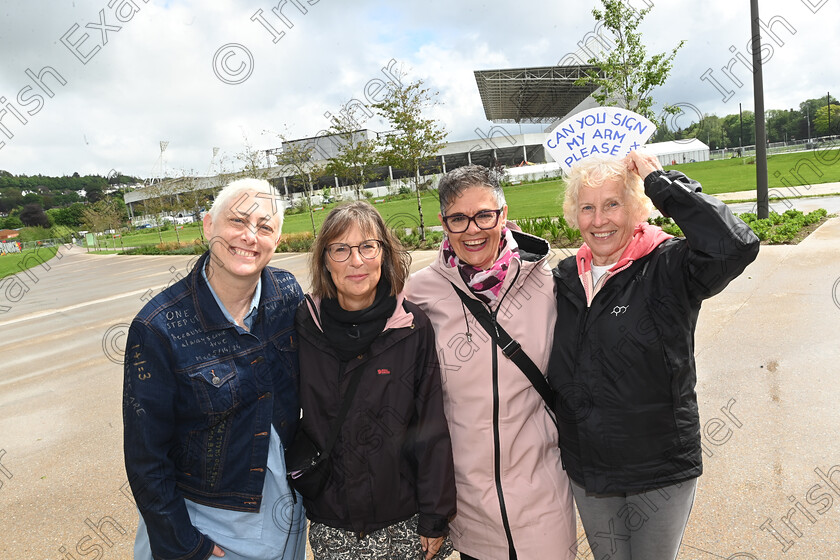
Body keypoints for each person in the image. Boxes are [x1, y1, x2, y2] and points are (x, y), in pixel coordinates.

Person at [548, 151, 760, 559]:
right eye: (587, 207)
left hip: (658, 466)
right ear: (575, 215)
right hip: (590, 466)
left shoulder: (669, 266)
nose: (599, 220)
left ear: (637, 207)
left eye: (613, 204)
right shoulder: (565, 278)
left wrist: (661, 181)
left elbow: (734, 246)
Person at [123, 178, 307, 560]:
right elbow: (146, 459)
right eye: (237, 221)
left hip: (285, 516)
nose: (250, 236)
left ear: (279, 239)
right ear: (208, 225)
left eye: (265, 226)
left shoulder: (287, 294)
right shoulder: (158, 328)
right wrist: (187, 546)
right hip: (208, 528)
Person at [408, 165, 577, 560]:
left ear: (504, 214)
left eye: (484, 215)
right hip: (469, 507)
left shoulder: (549, 283)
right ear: (443, 224)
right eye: (458, 218)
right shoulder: (419, 292)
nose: (472, 230)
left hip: (543, 496)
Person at [295, 201, 456, 560]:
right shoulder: (304, 326)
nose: (356, 261)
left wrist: (435, 515)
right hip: (333, 521)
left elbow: (430, 425)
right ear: (324, 259)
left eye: (368, 246)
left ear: (383, 254)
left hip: (405, 519)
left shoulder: (412, 327)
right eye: (341, 249)